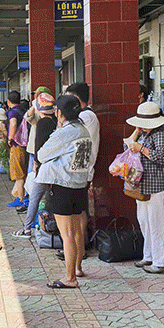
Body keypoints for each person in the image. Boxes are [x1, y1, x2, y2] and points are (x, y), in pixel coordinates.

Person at [37, 95, 92, 288]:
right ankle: (77, 268)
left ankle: (70, 278)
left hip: (62, 185)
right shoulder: (83, 129)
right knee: (77, 231)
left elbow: (42, 154)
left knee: (66, 234)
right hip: (78, 185)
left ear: (60, 113)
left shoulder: (65, 132)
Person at [125, 102, 164, 274]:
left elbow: (161, 158)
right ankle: (150, 255)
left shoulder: (160, 135)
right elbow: (127, 147)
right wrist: (136, 132)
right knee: (145, 222)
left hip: (157, 186)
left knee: (158, 224)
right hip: (144, 186)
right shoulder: (145, 134)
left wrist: (142, 149)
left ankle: (162, 261)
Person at [12, 92, 56, 237]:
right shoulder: (55, 121)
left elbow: (38, 147)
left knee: (34, 198)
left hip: (43, 166)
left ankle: (27, 228)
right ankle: (49, 225)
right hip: (54, 165)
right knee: (49, 198)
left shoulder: (42, 123)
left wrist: (36, 163)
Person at [65, 82, 100, 254]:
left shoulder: (86, 117)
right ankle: (78, 248)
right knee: (77, 211)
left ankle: (79, 248)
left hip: (81, 171)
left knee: (78, 212)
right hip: (79, 170)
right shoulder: (86, 116)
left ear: (77, 99)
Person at [7, 91, 29, 202]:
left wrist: (10, 138)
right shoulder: (23, 110)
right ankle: (23, 196)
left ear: (8, 102)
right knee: (24, 171)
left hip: (17, 145)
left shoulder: (12, 113)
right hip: (26, 145)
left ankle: (21, 199)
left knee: (19, 174)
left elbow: (13, 124)